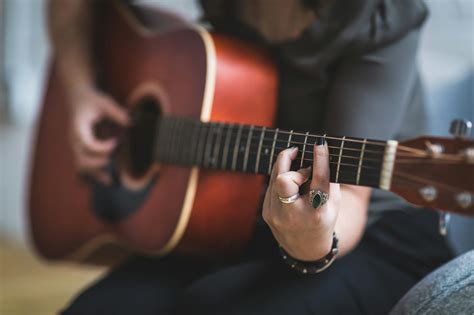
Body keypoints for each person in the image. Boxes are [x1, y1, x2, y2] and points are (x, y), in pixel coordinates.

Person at [49, 0, 454, 314]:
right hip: (231, 213)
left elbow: (347, 197)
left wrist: (311, 240)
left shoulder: (377, 11)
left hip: (372, 234)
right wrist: (80, 88)